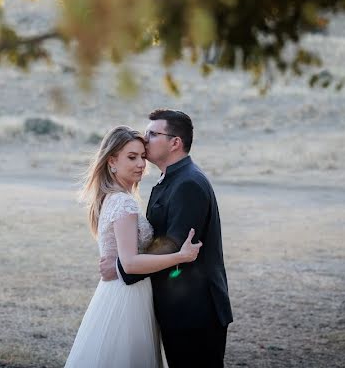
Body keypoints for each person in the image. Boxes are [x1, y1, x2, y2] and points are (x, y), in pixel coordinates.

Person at [99, 109, 233, 368]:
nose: (145, 138)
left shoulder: (188, 184)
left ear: (175, 143)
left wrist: (121, 266)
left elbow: (173, 244)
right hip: (179, 308)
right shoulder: (170, 180)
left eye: (152, 133)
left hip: (196, 311)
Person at [65, 126, 202, 368]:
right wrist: (181, 256)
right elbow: (129, 263)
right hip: (126, 296)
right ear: (112, 161)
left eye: (142, 157)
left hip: (123, 290)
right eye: (131, 157)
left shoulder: (114, 197)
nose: (140, 164)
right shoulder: (122, 203)